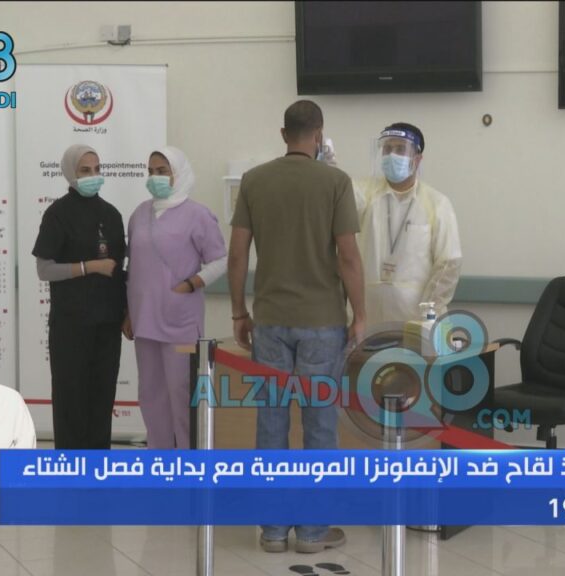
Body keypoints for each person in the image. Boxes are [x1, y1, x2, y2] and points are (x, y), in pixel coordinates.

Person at [228, 100, 365, 554]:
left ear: (283, 134)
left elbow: (237, 253)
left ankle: (271, 530)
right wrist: (361, 315)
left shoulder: (254, 180)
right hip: (322, 322)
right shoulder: (335, 182)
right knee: (319, 426)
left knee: (271, 423)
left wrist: (238, 313)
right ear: (319, 135)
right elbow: (348, 256)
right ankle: (312, 531)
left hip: (269, 321)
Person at [125, 146, 227, 449]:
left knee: (182, 395)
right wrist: (128, 312)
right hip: (144, 320)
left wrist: (191, 284)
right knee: (151, 396)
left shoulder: (198, 215)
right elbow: (134, 266)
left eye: (162, 171)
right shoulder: (139, 214)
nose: (154, 177)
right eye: (150, 171)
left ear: (178, 174)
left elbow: (221, 260)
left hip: (180, 321)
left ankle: (188, 461)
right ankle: (160, 458)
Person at [32, 144, 126, 449]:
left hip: (107, 324)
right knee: (70, 400)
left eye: (97, 169)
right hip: (70, 325)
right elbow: (45, 269)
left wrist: (127, 313)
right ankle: (70, 467)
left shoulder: (111, 214)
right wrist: (88, 267)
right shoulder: (57, 214)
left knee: (102, 399)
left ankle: (99, 467)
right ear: (71, 172)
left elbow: (121, 269)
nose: (93, 175)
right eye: (85, 170)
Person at [352, 123, 462, 325]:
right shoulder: (364, 194)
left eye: (400, 149)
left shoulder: (436, 203)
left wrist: (428, 313)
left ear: (417, 159)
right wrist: (326, 171)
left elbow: (449, 263)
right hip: (368, 318)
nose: (392, 155)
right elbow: (335, 204)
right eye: (387, 149)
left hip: (416, 318)